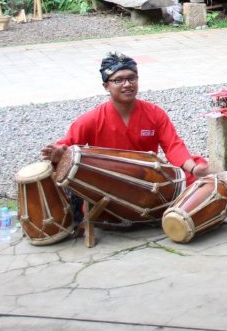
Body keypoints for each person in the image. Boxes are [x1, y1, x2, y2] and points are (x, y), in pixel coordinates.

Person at [41, 52, 209, 224]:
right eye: (118, 80)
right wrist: (58, 156)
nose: (127, 84)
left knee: (196, 176)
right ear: (106, 86)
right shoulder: (90, 119)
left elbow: (173, 146)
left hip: (149, 181)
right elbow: (64, 149)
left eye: (132, 78)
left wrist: (193, 168)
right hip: (110, 188)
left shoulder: (155, 114)